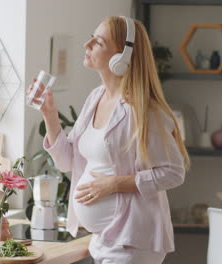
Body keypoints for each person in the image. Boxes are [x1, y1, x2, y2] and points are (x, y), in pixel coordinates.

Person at [33, 16, 190, 264]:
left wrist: (114, 184)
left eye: (97, 42)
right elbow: (66, 162)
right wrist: (50, 116)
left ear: (122, 57)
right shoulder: (96, 97)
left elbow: (174, 172)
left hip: (133, 242)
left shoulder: (145, 110)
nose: (87, 45)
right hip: (103, 240)